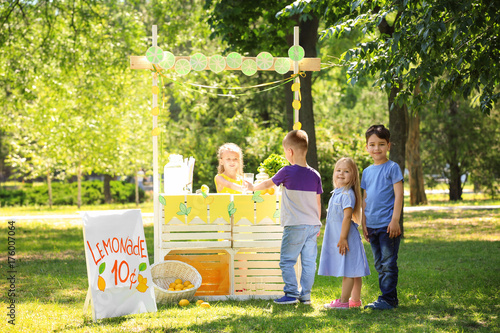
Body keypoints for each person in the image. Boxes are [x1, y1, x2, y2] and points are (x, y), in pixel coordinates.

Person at [247, 130, 322, 305]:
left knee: (287, 260)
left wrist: (252, 188)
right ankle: (306, 295)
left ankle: (291, 293)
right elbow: (318, 203)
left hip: (295, 225)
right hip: (313, 225)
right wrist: (317, 224)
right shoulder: (315, 175)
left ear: (290, 152)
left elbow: (267, 183)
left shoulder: (287, 171)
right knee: (309, 263)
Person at [361, 124, 404, 310]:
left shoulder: (392, 168)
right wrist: (363, 223)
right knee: (380, 264)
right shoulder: (366, 172)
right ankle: (387, 299)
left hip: (388, 225)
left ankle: (388, 299)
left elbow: (399, 195)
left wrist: (395, 220)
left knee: (388, 263)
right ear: (366, 147)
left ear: (388, 145)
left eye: (381, 144)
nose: (376, 148)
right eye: (372, 144)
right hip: (372, 225)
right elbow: (365, 199)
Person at [319, 157, 370, 309]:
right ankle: (355, 301)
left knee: (349, 271)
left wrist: (342, 238)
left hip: (347, 239)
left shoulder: (347, 194)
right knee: (354, 270)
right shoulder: (338, 192)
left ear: (353, 176)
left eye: (346, 171)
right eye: (338, 170)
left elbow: (347, 216)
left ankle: (343, 302)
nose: (341, 174)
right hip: (345, 238)